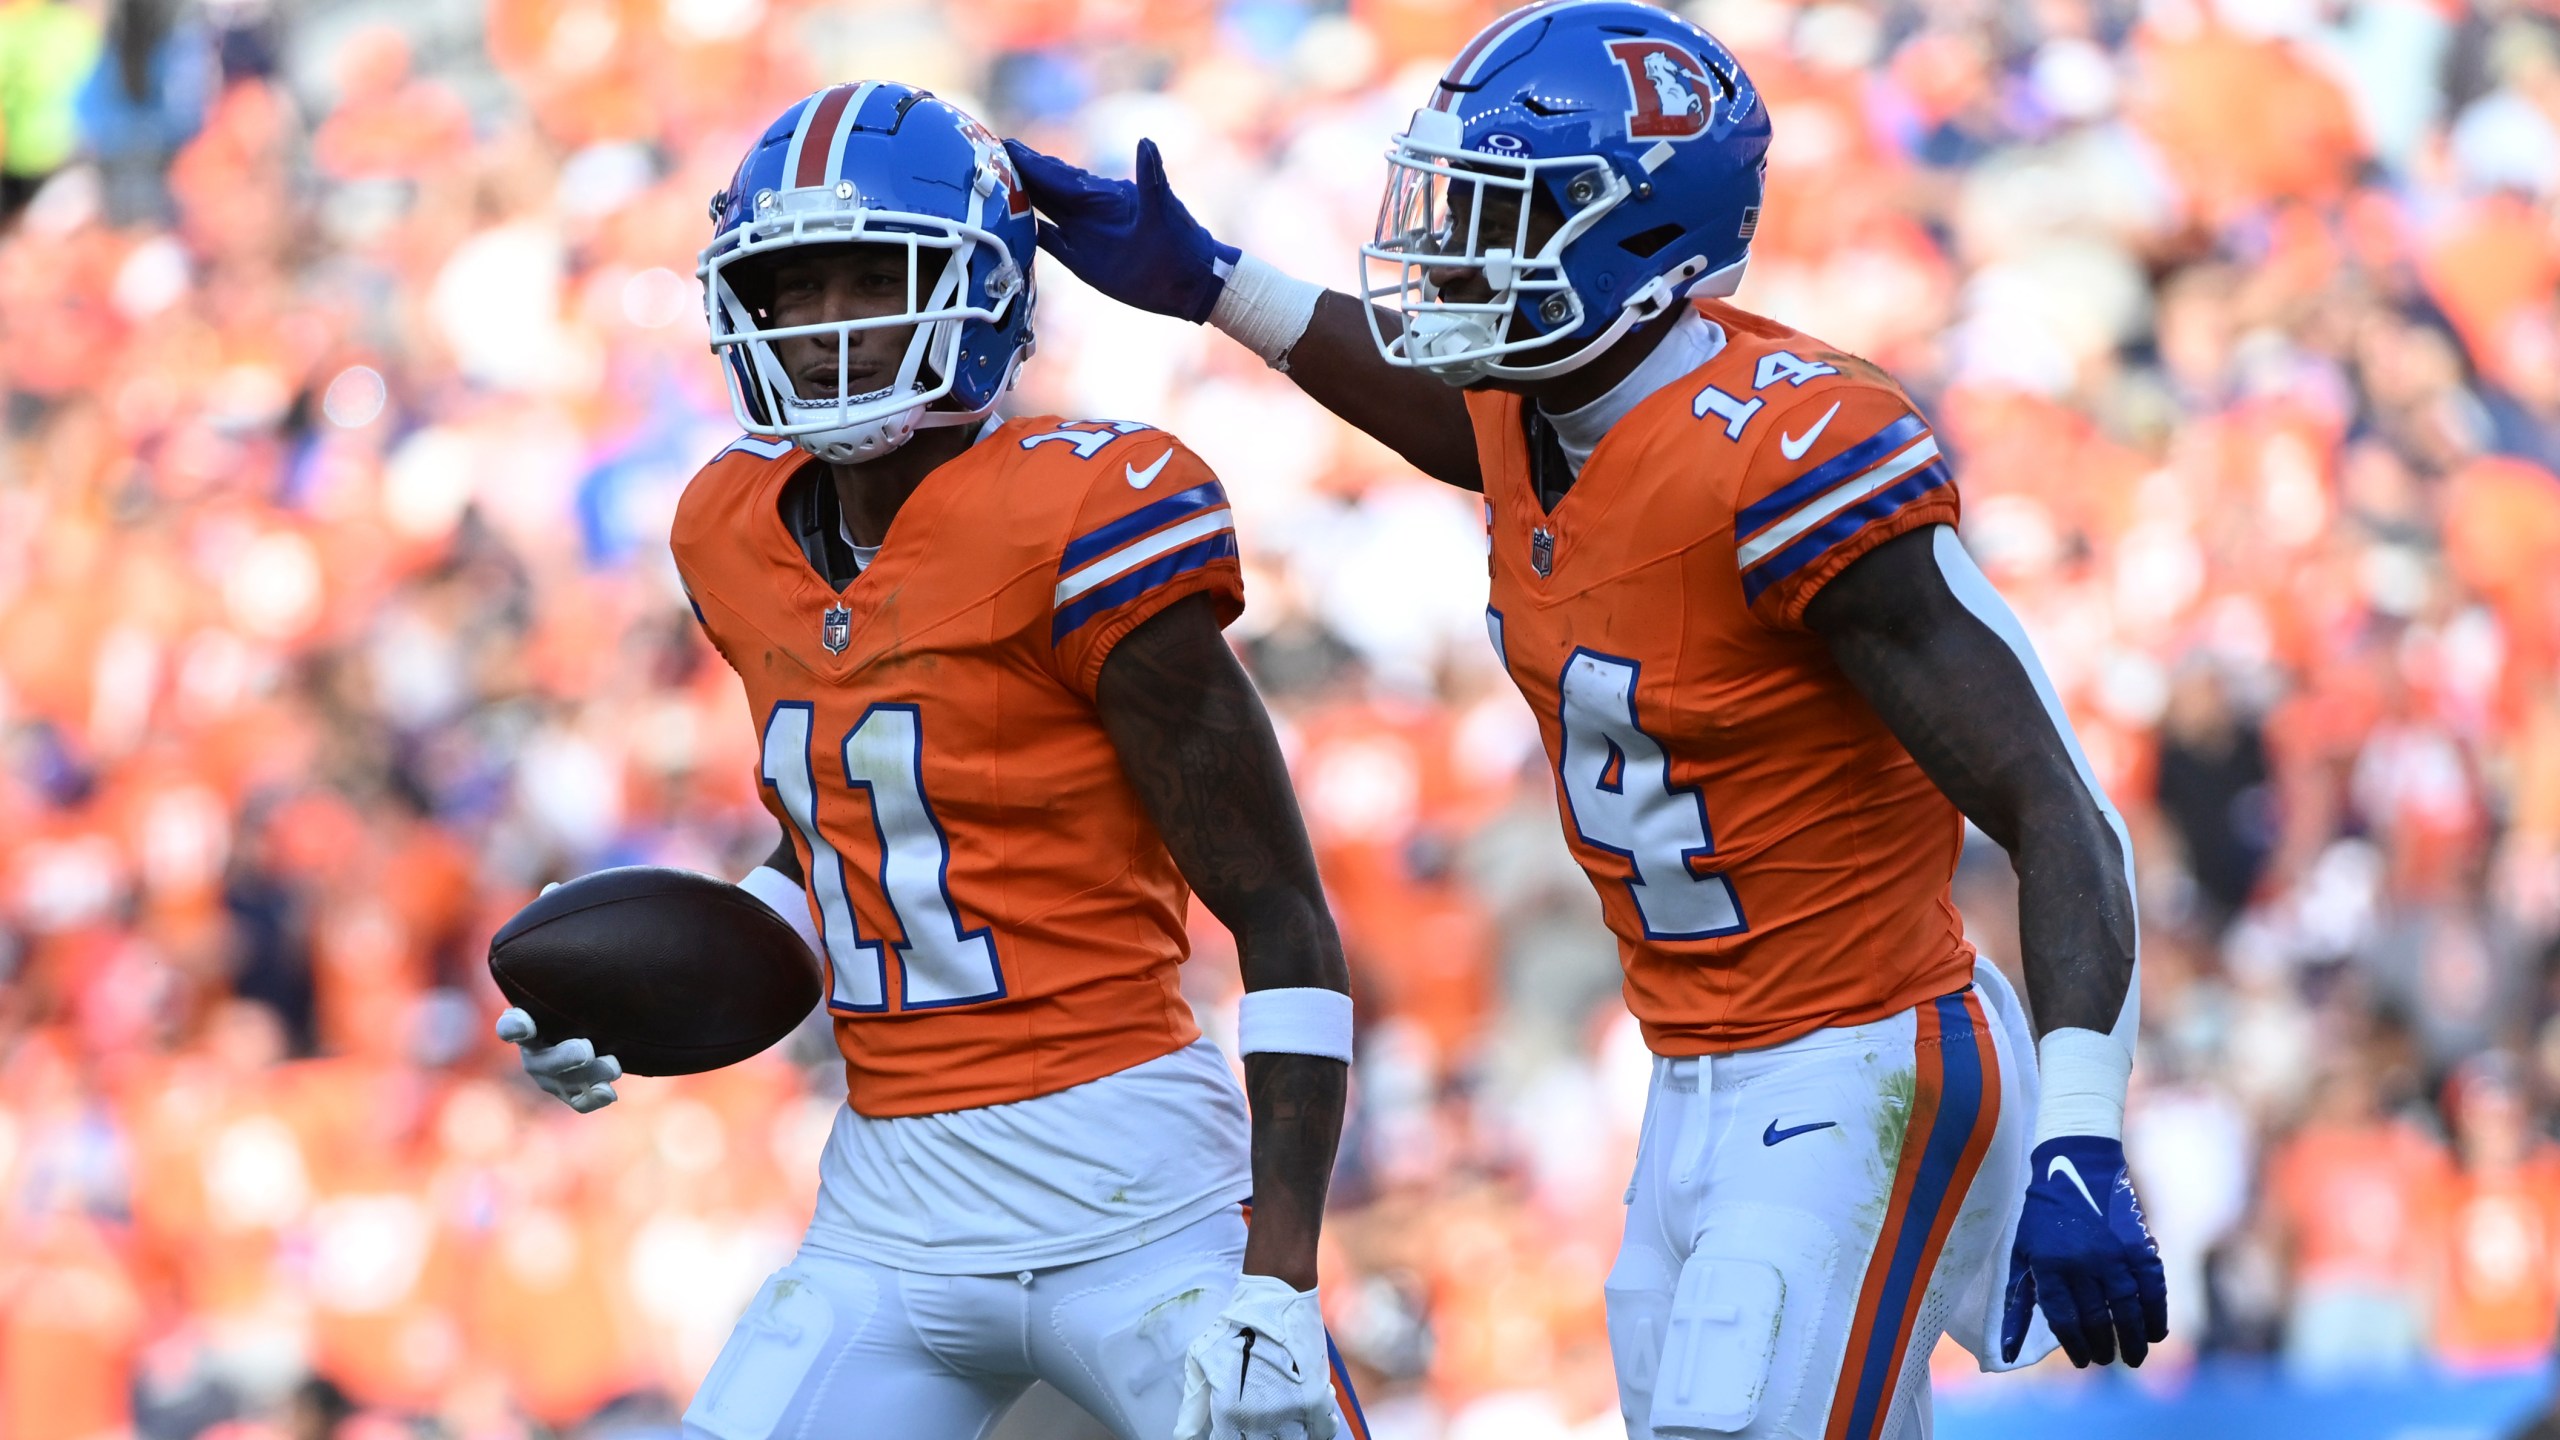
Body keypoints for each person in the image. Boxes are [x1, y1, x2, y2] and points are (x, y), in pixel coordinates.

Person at [1005, 1, 2168, 1435]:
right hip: (1689, 1072)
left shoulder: (1787, 458)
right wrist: (1212, 283)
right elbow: (1448, 418)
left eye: (1499, 215)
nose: (1445, 249)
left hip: (1859, 1055)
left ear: (1633, 238)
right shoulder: (1540, 409)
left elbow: (2057, 805)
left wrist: (2083, 1132)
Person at [496, 81, 1366, 1440]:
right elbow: (845, 838)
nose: (826, 323)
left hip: (1133, 1182)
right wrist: (650, 988)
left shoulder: (1088, 512)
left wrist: (1285, 1275)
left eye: (871, 281)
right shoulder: (730, 525)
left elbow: (1283, 915)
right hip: (889, 1202)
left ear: (979, 294)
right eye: (793, 287)